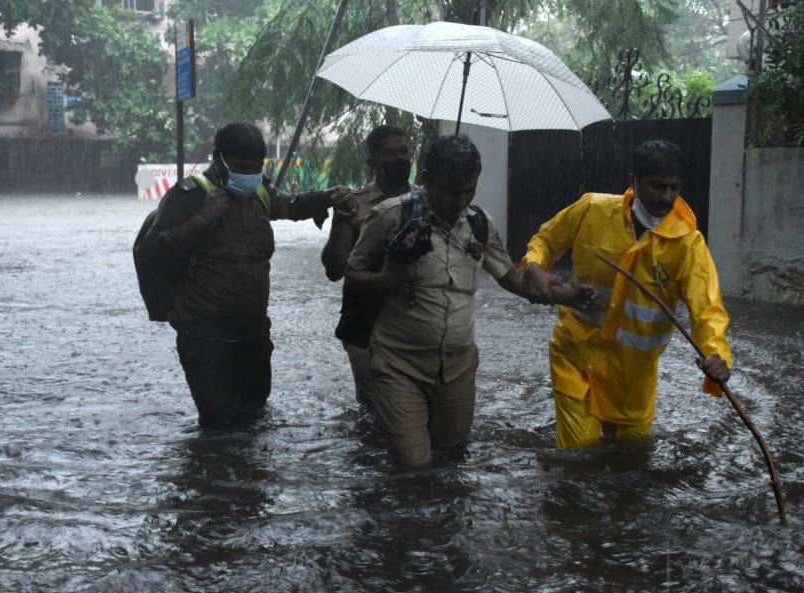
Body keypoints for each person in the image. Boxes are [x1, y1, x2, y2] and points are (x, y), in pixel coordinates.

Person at [345, 134, 590, 468]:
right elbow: (352, 274)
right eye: (448, 191)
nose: (457, 201)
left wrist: (567, 294)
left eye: (467, 191)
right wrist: (388, 278)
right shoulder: (391, 217)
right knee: (413, 465)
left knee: (450, 459)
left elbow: (512, 278)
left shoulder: (478, 224)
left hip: (457, 369)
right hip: (398, 366)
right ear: (427, 179)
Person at [522, 140, 732, 448]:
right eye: (658, 187)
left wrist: (717, 354)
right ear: (633, 180)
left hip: (633, 379)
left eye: (675, 188)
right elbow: (546, 240)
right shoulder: (592, 210)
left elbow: (707, 308)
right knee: (580, 457)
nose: (667, 197)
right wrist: (532, 266)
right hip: (576, 359)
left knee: (631, 460)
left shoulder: (688, 245)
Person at [139, 122, 345, 429]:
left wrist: (329, 197)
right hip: (205, 335)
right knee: (218, 424)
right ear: (218, 159)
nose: (248, 174)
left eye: (255, 167)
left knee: (255, 416)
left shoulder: (259, 192)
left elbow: (290, 205)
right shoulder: (188, 196)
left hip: (253, 333)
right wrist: (200, 219)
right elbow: (152, 252)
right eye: (239, 167)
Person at [322, 124, 413, 406]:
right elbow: (335, 271)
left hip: (417, 323)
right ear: (372, 163)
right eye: (389, 154)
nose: (399, 159)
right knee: (374, 410)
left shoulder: (428, 202)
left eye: (404, 151)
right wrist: (340, 220)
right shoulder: (356, 205)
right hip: (367, 326)